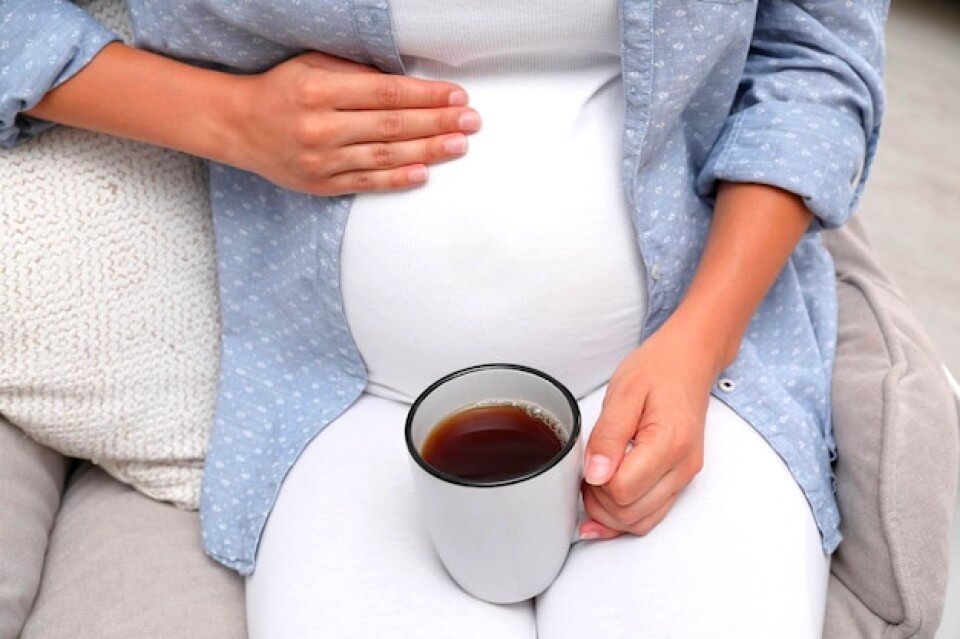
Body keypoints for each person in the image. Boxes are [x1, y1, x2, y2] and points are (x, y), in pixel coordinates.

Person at [2, 0, 887, 636]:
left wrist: (701, 340)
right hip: (350, 406)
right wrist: (227, 118)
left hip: (691, 383)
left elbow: (816, 57)